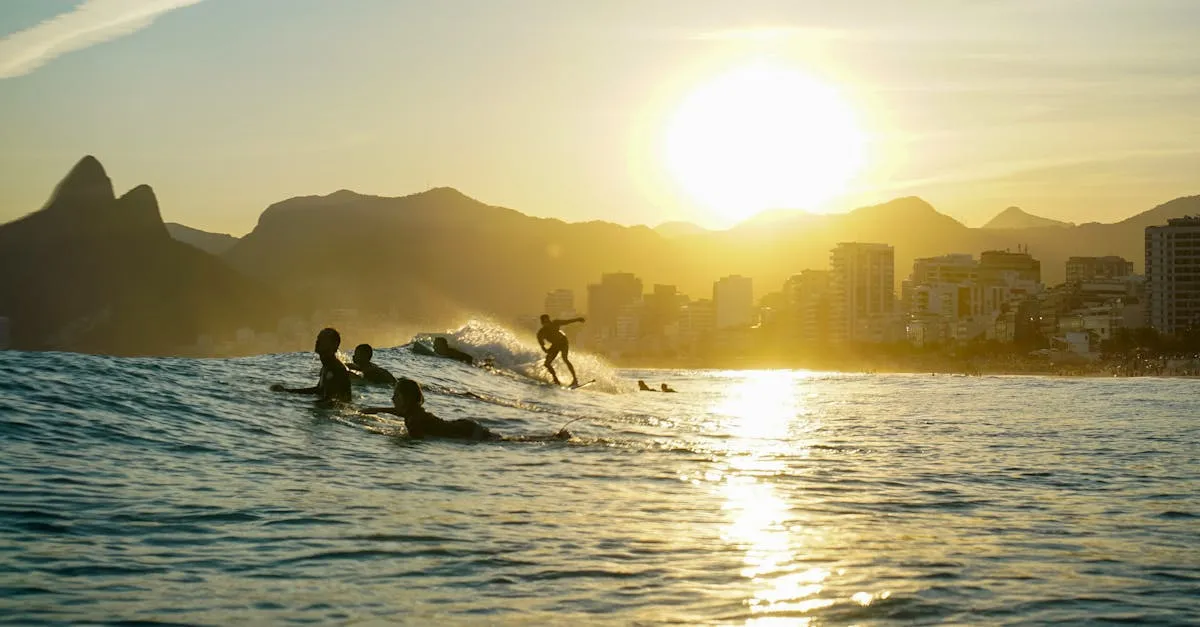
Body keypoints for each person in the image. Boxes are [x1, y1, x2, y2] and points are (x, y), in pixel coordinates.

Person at [363, 378, 570, 442]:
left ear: (407, 399)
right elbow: (399, 412)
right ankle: (555, 436)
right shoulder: (413, 412)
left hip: (466, 432)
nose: (392, 399)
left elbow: (416, 439)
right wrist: (376, 410)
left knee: (512, 442)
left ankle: (555, 438)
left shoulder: (415, 420)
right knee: (509, 439)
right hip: (464, 426)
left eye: (396, 396)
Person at [270, 328, 352, 403]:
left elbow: (331, 401)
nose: (317, 342)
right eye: (318, 339)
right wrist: (287, 391)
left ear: (334, 345)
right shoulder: (327, 366)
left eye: (322, 340)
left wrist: (301, 404)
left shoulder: (336, 369)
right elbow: (319, 390)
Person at [537, 314, 584, 386]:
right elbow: (542, 345)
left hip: (563, 342)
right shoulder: (541, 332)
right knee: (547, 363)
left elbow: (567, 322)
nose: (547, 323)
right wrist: (546, 350)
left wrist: (578, 319)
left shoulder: (555, 323)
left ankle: (575, 380)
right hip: (555, 345)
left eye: (548, 321)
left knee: (565, 358)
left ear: (549, 320)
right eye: (545, 322)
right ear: (542, 323)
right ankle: (555, 379)